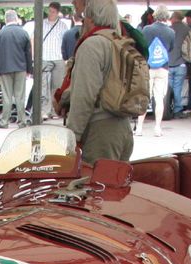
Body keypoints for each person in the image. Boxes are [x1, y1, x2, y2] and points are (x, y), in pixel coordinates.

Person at [62, 0, 133, 162]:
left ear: (90, 17)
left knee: (93, 184)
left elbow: (84, 96)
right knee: (115, 185)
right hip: (123, 128)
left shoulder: (92, 45)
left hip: (100, 130)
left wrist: (73, 137)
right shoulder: (120, 42)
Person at [136, 5, 175, 137]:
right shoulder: (171, 32)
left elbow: (141, 45)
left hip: (148, 68)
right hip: (163, 68)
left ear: (155, 15)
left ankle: (139, 128)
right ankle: (157, 128)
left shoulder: (147, 29)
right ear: (167, 16)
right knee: (159, 99)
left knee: (144, 97)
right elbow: (171, 48)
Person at [0, 10, 32, 127]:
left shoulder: (0, 34)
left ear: (6, 19)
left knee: (7, 95)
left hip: (5, 68)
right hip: (21, 67)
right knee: (20, 95)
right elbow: (28, 53)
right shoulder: (24, 33)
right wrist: (29, 70)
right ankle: (22, 121)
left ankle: (4, 121)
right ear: (16, 19)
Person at [39, 2, 71, 120]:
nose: (50, 13)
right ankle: (44, 110)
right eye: (49, 11)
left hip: (58, 57)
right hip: (44, 57)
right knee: (43, 86)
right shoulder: (42, 24)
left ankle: (54, 110)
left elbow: (65, 42)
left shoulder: (63, 26)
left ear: (58, 13)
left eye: (53, 11)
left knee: (56, 86)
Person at [168, 10, 190, 117]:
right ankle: (178, 110)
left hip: (168, 63)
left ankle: (168, 109)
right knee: (178, 87)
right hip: (181, 62)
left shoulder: (168, 30)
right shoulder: (187, 29)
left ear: (174, 18)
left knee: (168, 89)